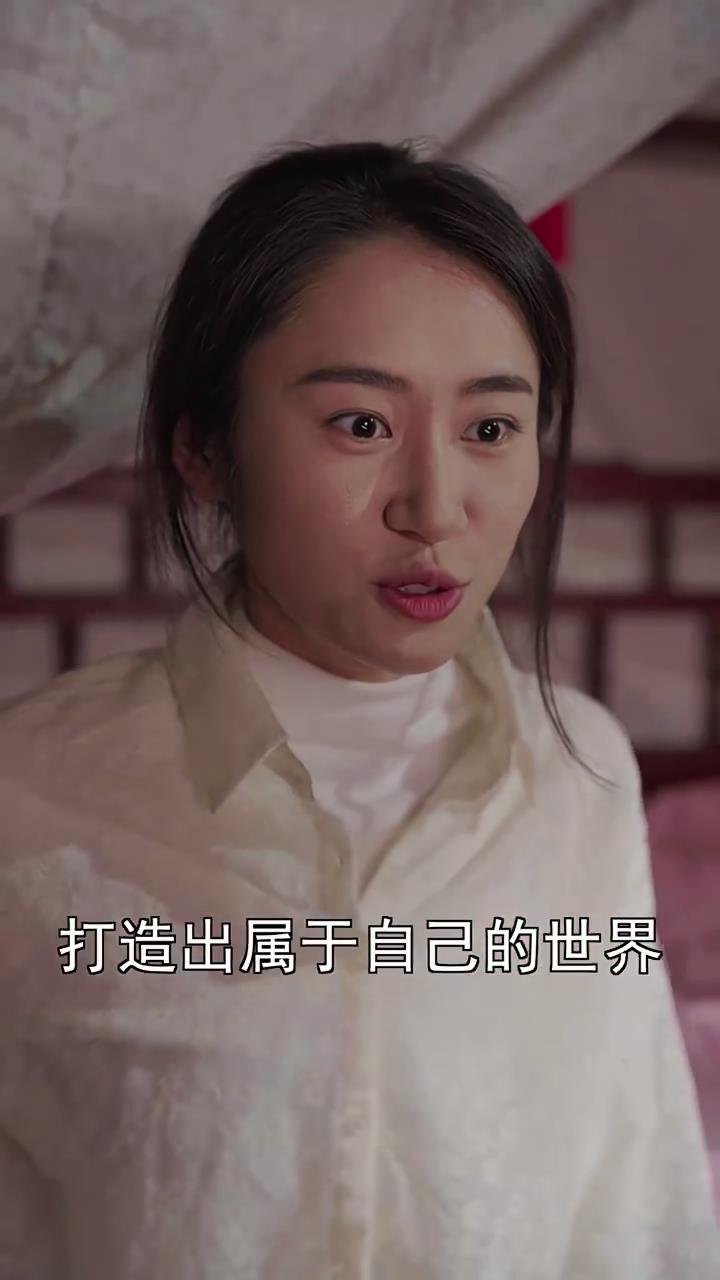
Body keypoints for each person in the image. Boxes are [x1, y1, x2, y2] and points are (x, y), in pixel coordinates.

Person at [0, 140, 717, 1280]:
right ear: (205, 449)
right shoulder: (31, 791)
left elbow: (636, 1197)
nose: (435, 507)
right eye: (361, 424)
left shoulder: (581, 769)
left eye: (490, 428)